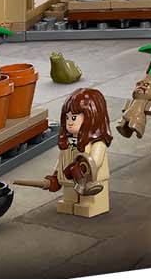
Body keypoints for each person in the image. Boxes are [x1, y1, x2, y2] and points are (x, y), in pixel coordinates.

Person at [35, 88, 113, 217]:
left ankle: (90, 204)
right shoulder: (69, 141)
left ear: (92, 117)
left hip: (89, 180)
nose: (69, 122)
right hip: (69, 177)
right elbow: (61, 159)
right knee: (69, 193)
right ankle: (69, 201)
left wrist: (80, 169)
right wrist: (56, 174)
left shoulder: (97, 143)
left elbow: (95, 161)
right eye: (67, 118)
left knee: (88, 198)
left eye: (74, 118)